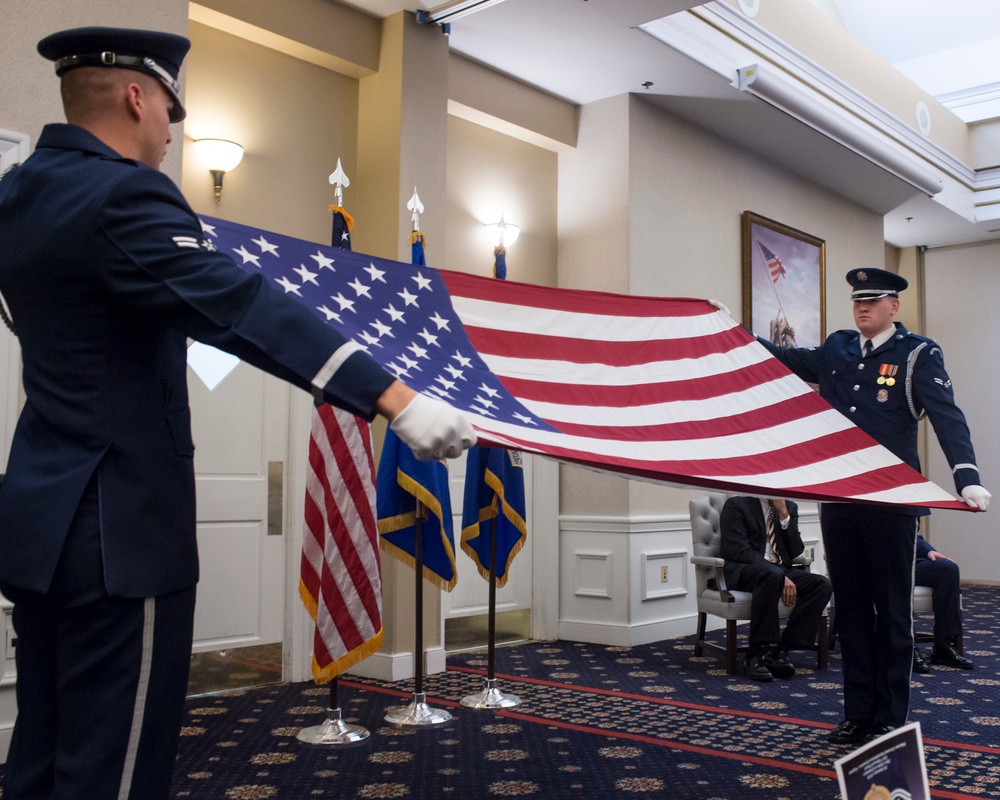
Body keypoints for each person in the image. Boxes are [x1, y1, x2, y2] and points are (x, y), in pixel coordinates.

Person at [0, 26, 476, 800]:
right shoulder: (125, 194)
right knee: (112, 767)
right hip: (119, 536)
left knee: (42, 753)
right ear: (136, 95)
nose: (166, 133)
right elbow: (239, 306)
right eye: (167, 113)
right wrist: (394, 398)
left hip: (38, 523)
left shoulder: (16, 195)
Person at [759, 267, 989, 746]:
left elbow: (948, 417)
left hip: (891, 504)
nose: (862, 307)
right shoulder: (837, 348)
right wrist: (732, 331)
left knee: (892, 614)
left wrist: (966, 478)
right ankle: (857, 713)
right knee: (856, 614)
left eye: (873, 300)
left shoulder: (917, 354)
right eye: (857, 300)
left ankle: (889, 715)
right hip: (842, 500)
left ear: (893, 306)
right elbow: (781, 358)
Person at [719, 495, 832, 680]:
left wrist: (784, 515)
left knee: (821, 585)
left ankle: (780, 651)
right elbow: (738, 550)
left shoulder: (790, 507)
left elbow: (795, 551)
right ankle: (755, 654)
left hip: (778, 571)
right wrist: (777, 574)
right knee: (772, 575)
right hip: (744, 569)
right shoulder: (737, 505)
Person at [911, 534, 973, 673]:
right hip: (877, 564)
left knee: (947, 568)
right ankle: (908, 647)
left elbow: (912, 533)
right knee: (897, 576)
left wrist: (928, 550)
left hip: (907, 559)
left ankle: (943, 645)